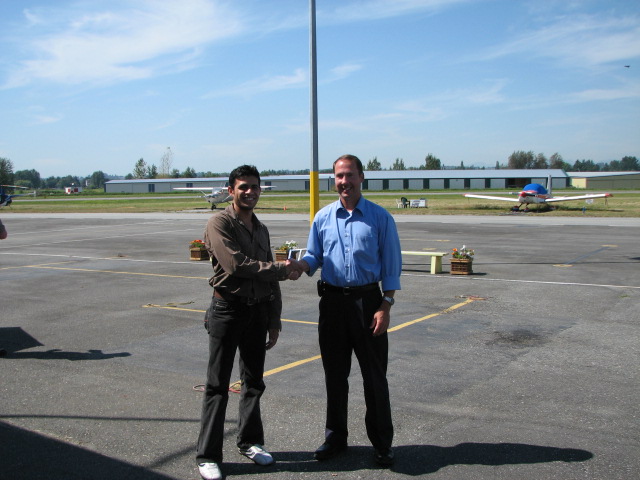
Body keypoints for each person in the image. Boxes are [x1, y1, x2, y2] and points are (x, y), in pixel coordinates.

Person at [291, 154, 402, 467]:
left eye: (349, 175)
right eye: (339, 176)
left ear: (361, 178)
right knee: (335, 377)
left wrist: (386, 305)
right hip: (333, 305)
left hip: (369, 303)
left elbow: (392, 267)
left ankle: (381, 443)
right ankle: (335, 437)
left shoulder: (380, 218)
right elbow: (314, 256)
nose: (344, 182)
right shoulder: (322, 218)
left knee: (374, 377)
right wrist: (301, 265)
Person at [195, 164, 300, 480]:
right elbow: (236, 265)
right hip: (227, 311)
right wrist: (282, 269)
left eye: (255, 187)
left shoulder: (262, 228)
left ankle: (250, 442)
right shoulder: (219, 223)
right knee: (217, 385)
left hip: (257, 312)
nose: (250, 192)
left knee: (254, 381)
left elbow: (268, 277)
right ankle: (208, 455)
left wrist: (274, 318)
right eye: (243, 187)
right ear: (231, 190)